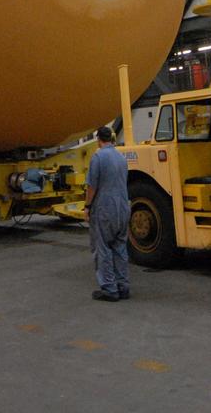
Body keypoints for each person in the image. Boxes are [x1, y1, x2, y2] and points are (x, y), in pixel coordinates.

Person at [85, 125, 130, 302]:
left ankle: (109, 289)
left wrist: (87, 206)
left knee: (102, 248)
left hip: (105, 208)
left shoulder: (98, 156)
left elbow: (92, 186)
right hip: (123, 207)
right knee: (120, 248)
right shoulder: (121, 156)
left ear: (98, 140)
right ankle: (123, 286)